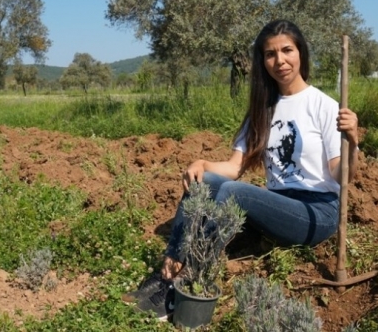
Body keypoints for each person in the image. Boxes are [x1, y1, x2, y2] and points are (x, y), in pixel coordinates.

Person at [124, 19, 361, 320]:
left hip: (316, 212)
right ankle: (170, 266)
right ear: (262, 61)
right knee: (206, 182)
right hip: (277, 206)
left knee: (235, 193)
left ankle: (189, 281)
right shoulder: (264, 108)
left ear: (301, 52)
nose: (280, 61)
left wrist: (352, 142)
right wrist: (203, 165)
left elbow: (344, 177)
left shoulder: (325, 107)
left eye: (287, 50)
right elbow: (235, 167)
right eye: (270, 54)